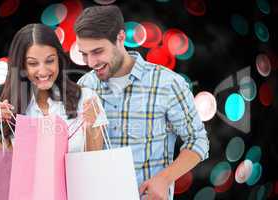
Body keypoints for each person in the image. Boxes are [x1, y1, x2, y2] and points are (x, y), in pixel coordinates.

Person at [74, 5, 209, 200]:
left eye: (97, 51)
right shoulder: (85, 85)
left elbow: (197, 141)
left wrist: (164, 179)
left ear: (120, 38)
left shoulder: (167, 84)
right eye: (84, 53)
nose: (91, 62)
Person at [0, 23, 108, 153]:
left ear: (59, 59)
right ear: (22, 66)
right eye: (33, 63)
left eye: (50, 61)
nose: (43, 71)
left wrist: (90, 128)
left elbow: (94, 163)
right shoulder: (13, 110)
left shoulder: (86, 99)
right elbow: (6, 170)